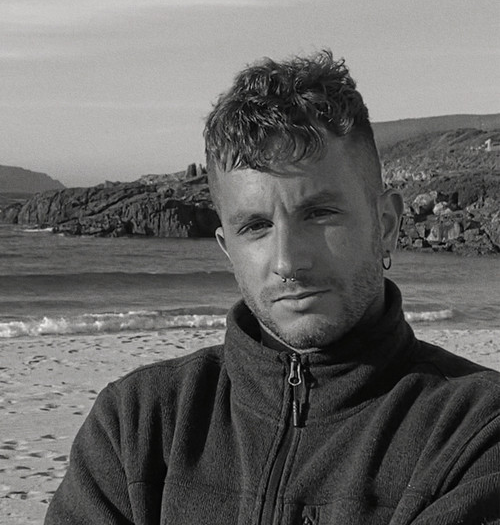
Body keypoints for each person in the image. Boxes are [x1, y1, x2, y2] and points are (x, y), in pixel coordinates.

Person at [45, 50, 500, 525]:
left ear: (385, 225)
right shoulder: (137, 424)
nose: (288, 261)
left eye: (319, 214)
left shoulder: (474, 429)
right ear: (227, 248)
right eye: (256, 226)